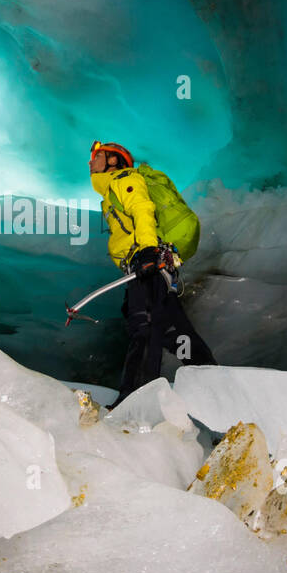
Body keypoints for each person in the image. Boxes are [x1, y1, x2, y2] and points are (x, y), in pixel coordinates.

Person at [88, 140, 216, 408]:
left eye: (97, 156)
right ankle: (217, 391)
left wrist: (146, 253)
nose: (90, 162)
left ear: (113, 160)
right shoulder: (112, 189)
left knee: (143, 326)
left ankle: (134, 404)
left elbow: (142, 209)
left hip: (148, 259)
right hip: (153, 263)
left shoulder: (123, 179)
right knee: (174, 331)